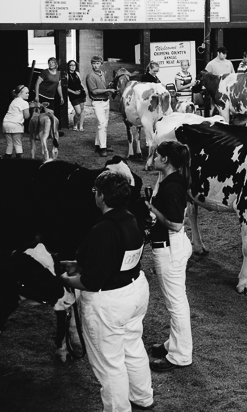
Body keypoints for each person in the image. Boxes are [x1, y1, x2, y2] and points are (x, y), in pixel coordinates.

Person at [60, 171, 154, 412]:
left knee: (110, 364)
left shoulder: (103, 229)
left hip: (109, 301)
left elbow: (91, 281)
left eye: (96, 192)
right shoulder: (131, 219)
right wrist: (79, 265)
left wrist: (64, 279)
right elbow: (116, 258)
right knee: (132, 346)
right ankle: (143, 396)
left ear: (101, 196)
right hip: (136, 291)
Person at [146, 141, 193, 371]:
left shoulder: (172, 187)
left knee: (176, 304)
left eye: (157, 155)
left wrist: (151, 209)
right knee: (175, 301)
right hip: (171, 246)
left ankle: (180, 355)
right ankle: (172, 344)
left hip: (170, 247)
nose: (153, 158)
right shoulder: (171, 180)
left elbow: (175, 224)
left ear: (165, 160)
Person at [85, 56, 116, 157]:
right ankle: (103, 148)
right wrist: (108, 90)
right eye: (94, 63)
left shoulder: (102, 73)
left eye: (98, 63)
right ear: (91, 64)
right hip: (97, 102)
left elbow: (102, 87)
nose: (95, 65)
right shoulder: (90, 76)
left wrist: (109, 87)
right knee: (102, 124)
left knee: (103, 124)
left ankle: (98, 145)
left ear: (101, 64)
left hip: (105, 101)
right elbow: (94, 91)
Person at [2, 85, 31, 158]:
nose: (28, 94)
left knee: (9, 143)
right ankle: (19, 160)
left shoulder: (13, 101)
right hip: (16, 125)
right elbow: (27, 116)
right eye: (26, 93)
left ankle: (7, 157)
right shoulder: (24, 103)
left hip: (6, 123)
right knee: (18, 143)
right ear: (20, 93)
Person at [65, 60, 87, 132]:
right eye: (71, 65)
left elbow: (81, 83)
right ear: (68, 66)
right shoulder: (67, 75)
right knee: (78, 111)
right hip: (73, 95)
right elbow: (65, 87)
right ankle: (75, 125)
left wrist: (84, 90)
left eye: (74, 65)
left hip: (81, 93)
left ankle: (81, 126)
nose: (73, 67)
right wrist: (74, 92)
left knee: (82, 109)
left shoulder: (77, 73)